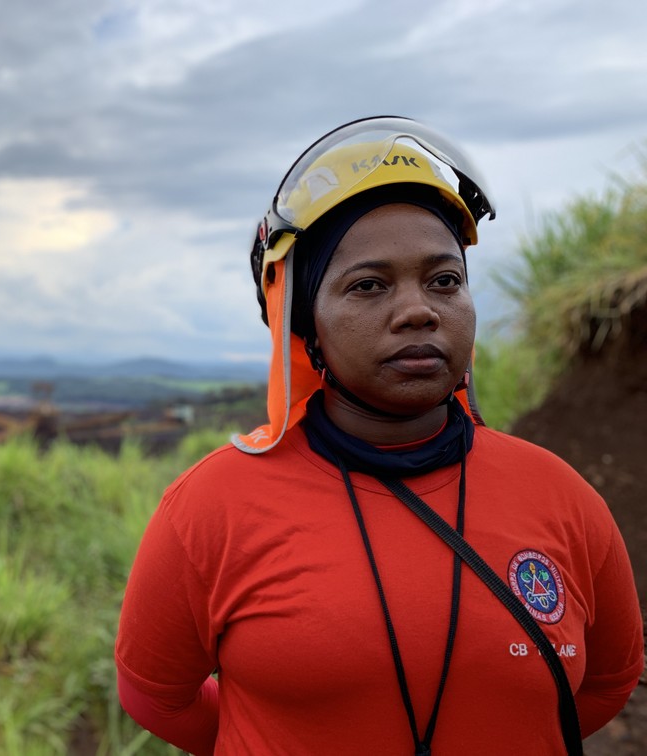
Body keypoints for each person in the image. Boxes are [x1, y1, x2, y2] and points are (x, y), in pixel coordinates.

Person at [114, 116, 644, 755]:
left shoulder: (559, 496)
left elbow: (605, 681)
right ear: (304, 321)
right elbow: (157, 696)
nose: (419, 309)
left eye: (444, 280)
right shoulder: (211, 507)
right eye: (368, 285)